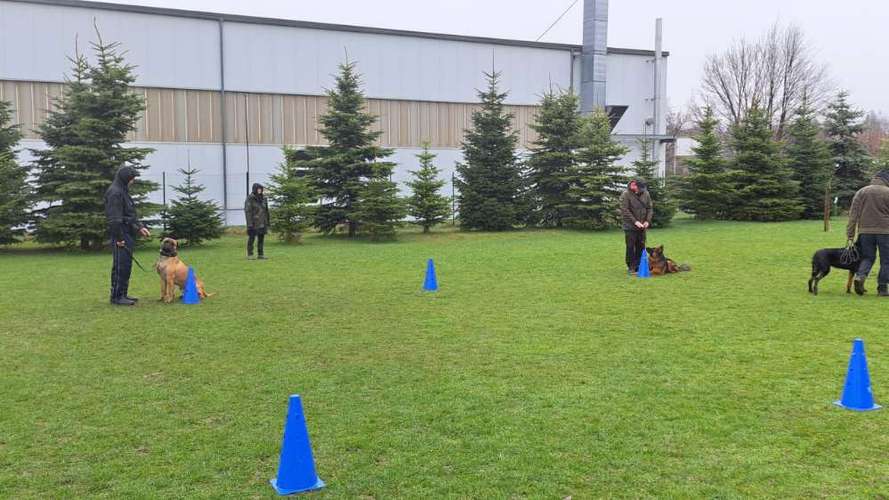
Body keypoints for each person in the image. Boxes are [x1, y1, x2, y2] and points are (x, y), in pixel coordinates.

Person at [104, 166, 151, 306]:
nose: (133, 181)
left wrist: (140, 227)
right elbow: (114, 219)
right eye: (132, 178)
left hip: (127, 232)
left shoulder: (123, 190)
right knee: (120, 265)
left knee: (126, 265)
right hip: (121, 233)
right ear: (126, 178)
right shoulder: (115, 193)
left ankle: (123, 294)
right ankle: (117, 297)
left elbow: (129, 214)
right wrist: (119, 238)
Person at [847, 170, 889, 296]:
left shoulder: (862, 191)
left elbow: (853, 215)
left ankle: (860, 276)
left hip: (865, 231)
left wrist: (850, 234)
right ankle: (882, 289)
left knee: (867, 257)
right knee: (886, 261)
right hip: (885, 232)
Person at [620, 179, 653, 274]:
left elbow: (650, 208)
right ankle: (631, 266)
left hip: (642, 226)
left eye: (640, 188)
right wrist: (635, 222)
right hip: (630, 225)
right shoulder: (626, 194)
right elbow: (625, 210)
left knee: (641, 246)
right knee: (630, 246)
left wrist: (647, 221)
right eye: (635, 187)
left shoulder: (646, 193)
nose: (637, 189)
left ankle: (639, 265)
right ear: (633, 185)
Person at [245, 183, 270, 259]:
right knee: (252, 238)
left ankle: (260, 254)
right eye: (258, 189)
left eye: (261, 189)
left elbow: (266, 210)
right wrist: (249, 224)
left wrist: (267, 221)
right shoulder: (250, 198)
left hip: (263, 222)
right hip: (254, 222)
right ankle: (250, 254)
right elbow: (248, 211)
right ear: (254, 189)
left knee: (261, 239)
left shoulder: (264, 198)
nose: (260, 190)